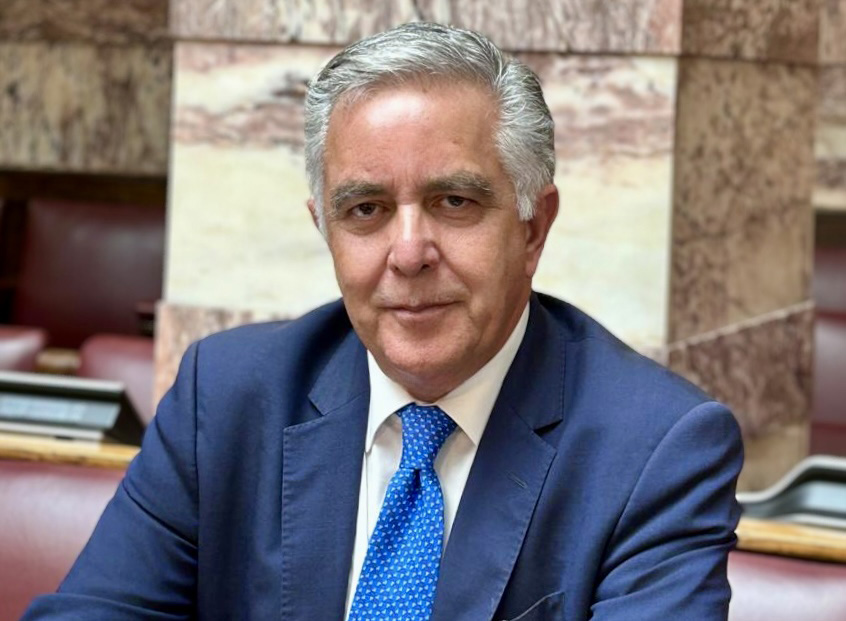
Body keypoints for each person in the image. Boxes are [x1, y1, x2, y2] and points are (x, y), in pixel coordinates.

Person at [22, 22, 742, 621]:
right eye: (365, 210)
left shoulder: (656, 449)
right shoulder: (226, 398)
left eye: (455, 202)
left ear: (533, 227)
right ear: (325, 228)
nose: (408, 253)